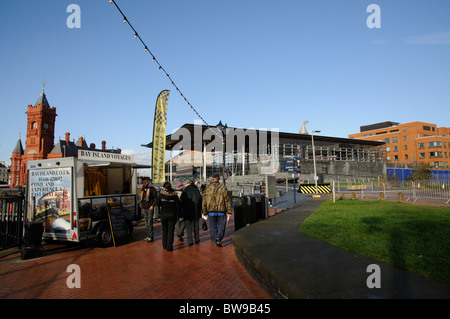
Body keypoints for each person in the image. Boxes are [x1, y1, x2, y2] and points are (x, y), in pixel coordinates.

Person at [202, 173, 232, 247]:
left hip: (211, 211)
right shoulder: (223, 188)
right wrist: (229, 211)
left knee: (213, 227)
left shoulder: (207, 188)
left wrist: (204, 211)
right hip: (221, 210)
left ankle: (215, 240)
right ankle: (219, 237)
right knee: (221, 226)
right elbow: (227, 200)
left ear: (212, 179)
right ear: (218, 179)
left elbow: (204, 201)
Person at [151, 182, 181, 252]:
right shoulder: (174, 196)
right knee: (171, 231)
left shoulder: (161, 195)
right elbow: (178, 206)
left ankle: (164, 245)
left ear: (165, 188)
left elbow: (158, 204)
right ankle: (169, 247)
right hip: (172, 215)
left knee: (164, 230)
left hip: (164, 215)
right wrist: (179, 215)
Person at [180, 179, 203, 246]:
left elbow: (182, 201)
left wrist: (182, 210)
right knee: (196, 226)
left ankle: (190, 240)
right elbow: (200, 200)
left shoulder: (185, 191)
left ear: (188, 183)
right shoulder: (196, 190)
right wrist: (201, 209)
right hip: (196, 211)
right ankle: (197, 238)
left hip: (187, 211)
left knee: (188, 227)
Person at [140, 177, 157, 242]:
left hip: (150, 207)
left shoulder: (152, 189)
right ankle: (148, 235)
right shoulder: (142, 189)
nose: (143, 184)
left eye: (144, 182)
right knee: (146, 222)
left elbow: (155, 198)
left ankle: (151, 236)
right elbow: (142, 198)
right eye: (143, 182)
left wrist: (152, 205)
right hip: (144, 207)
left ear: (148, 182)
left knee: (150, 222)